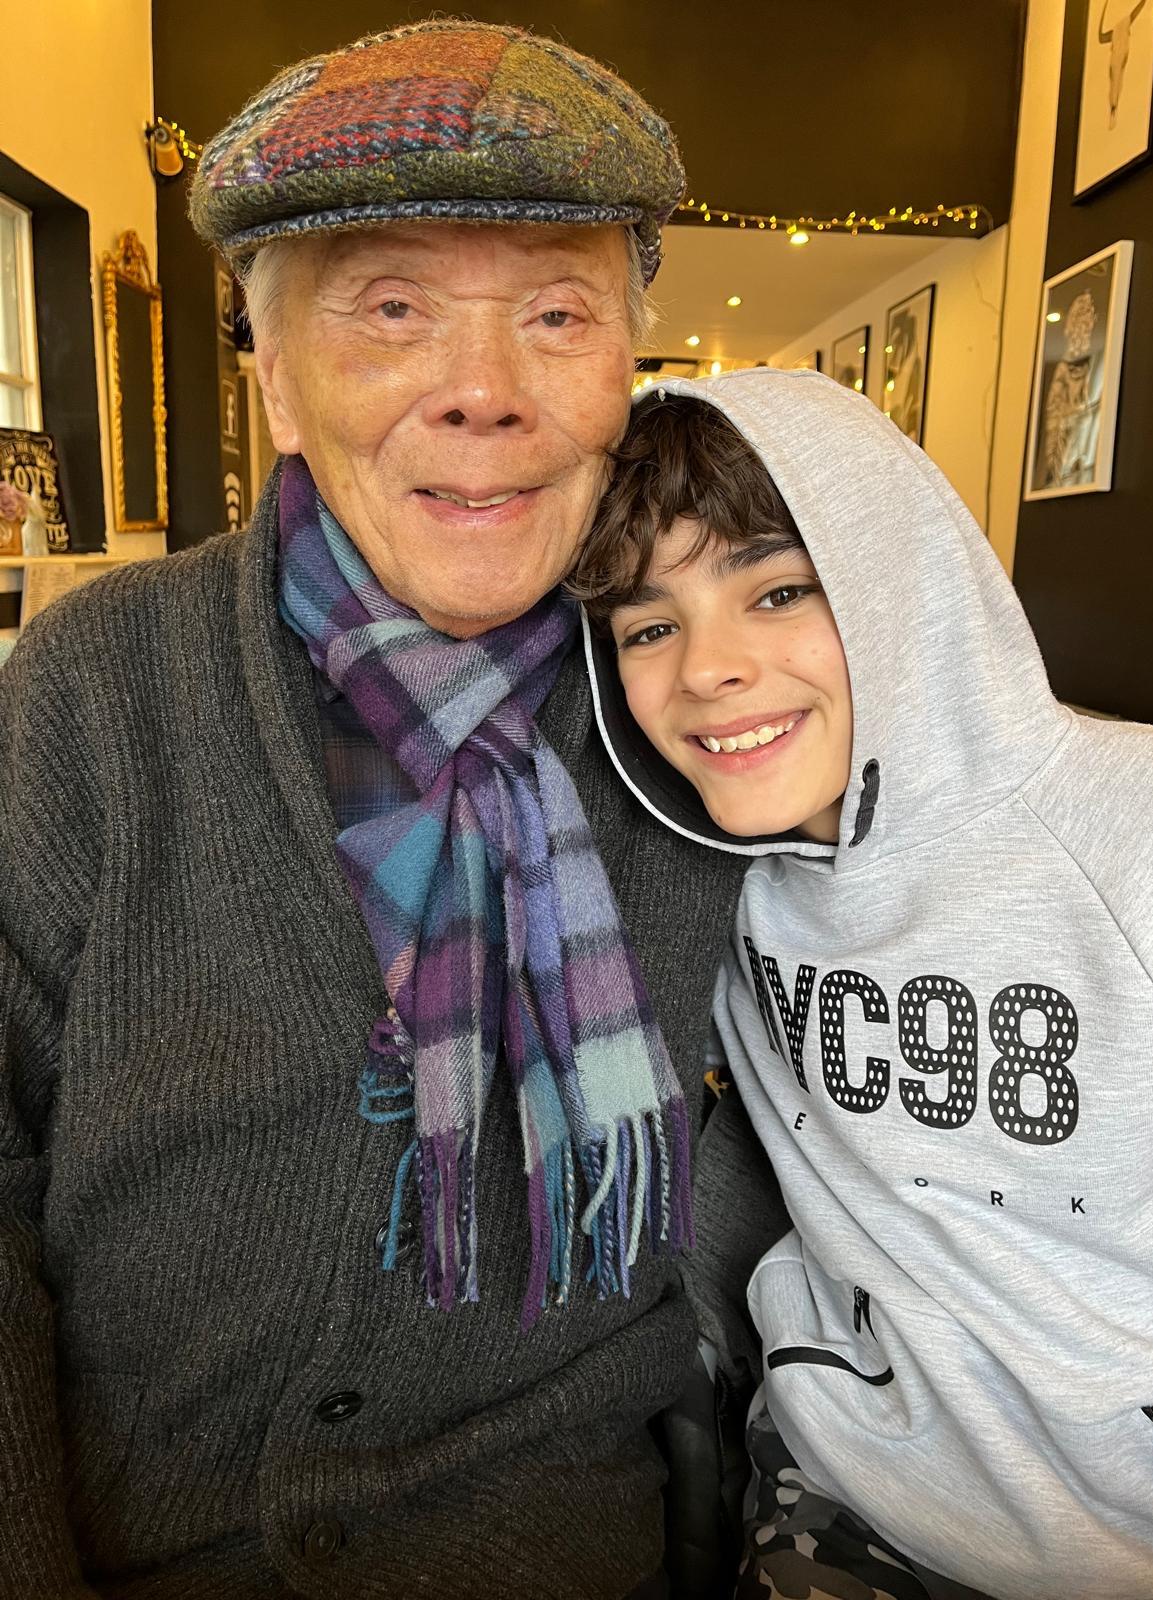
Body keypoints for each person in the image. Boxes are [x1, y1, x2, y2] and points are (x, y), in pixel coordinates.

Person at [0, 22, 752, 1598]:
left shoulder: (709, 701)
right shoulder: (91, 696)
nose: (481, 394)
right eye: (389, 311)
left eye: (556, 312)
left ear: (629, 367)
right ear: (274, 379)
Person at [573, 368, 1153, 1600]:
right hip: (861, 1501)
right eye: (650, 626)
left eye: (780, 590)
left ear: (902, 583)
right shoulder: (705, 880)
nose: (709, 668)